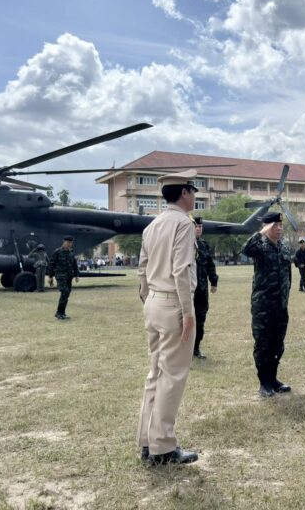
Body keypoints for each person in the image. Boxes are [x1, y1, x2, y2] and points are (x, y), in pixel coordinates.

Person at [136, 169, 200, 466]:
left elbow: (142, 269)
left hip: (153, 302)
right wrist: (188, 312)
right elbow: (181, 270)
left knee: (155, 375)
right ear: (184, 192)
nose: (195, 195)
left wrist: (147, 298)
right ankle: (162, 446)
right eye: (193, 190)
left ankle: (147, 441)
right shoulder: (183, 224)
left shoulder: (153, 225)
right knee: (172, 377)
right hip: (173, 302)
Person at [241, 211, 292, 398]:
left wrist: (286, 297)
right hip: (263, 306)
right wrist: (262, 231)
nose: (279, 228)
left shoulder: (284, 246)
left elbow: (288, 274)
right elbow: (245, 249)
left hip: (280, 305)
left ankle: (273, 379)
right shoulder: (259, 246)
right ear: (267, 227)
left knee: (277, 344)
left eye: (280, 225)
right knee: (263, 344)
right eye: (275, 225)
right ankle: (264, 383)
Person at [193, 217, 218, 359]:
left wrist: (214, 281)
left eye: (200, 226)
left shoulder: (204, 245)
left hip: (202, 290)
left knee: (200, 319)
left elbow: (210, 265)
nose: (198, 229)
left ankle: (196, 348)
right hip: (187, 290)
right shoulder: (183, 244)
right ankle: (182, 350)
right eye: (196, 226)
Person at [47, 236, 79, 320]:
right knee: (65, 292)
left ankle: (62, 313)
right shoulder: (57, 252)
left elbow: (74, 264)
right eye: (68, 242)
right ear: (64, 242)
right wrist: (50, 276)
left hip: (69, 276)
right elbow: (51, 264)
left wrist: (76, 275)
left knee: (66, 294)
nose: (70, 244)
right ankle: (59, 313)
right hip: (60, 276)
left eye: (71, 243)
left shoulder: (71, 252)